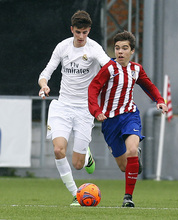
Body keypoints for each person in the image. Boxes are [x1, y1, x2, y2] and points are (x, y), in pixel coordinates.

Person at [38, 10, 110, 206]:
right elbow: (46, 72)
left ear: (89, 31)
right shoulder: (62, 47)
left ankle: (85, 154)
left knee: (78, 165)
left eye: (85, 33)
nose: (81, 37)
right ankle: (75, 194)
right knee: (59, 150)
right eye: (78, 32)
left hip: (85, 109)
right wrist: (44, 85)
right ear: (72, 30)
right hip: (63, 106)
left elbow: (108, 68)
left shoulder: (95, 48)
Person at [88, 31, 168, 207]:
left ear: (132, 51)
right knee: (124, 167)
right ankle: (134, 158)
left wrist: (160, 101)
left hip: (130, 116)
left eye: (124, 48)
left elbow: (149, 86)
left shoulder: (136, 69)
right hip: (110, 122)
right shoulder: (108, 69)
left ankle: (128, 198)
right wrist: (96, 111)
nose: (120, 52)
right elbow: (93, 89)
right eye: (117, 48)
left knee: (131, 150)